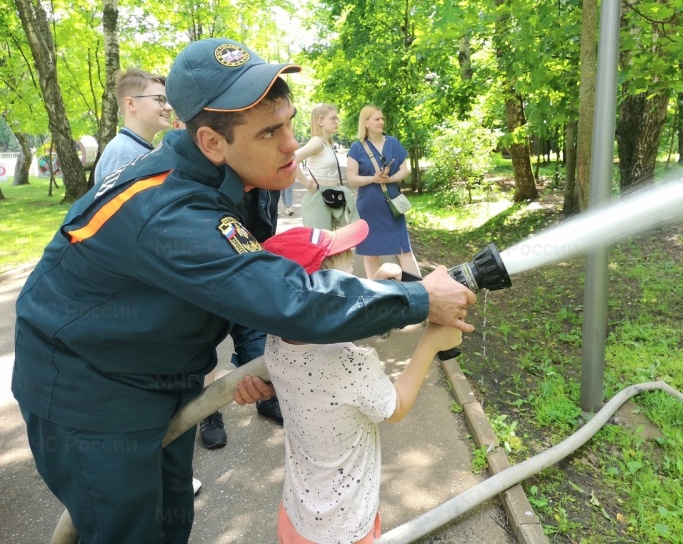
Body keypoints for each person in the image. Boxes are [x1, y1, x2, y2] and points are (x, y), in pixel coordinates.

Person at [13, 37, 476, 544]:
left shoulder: (238, 179)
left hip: (156, 374)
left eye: (291, 122)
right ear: (212, 142)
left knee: (169, 520)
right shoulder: (171, 211)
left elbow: (242, 281)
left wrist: (264, 363)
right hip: (91, 393)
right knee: (127, 530)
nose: (290, 145)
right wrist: (418, 299)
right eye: (271, 132)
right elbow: (287, 295)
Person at [235, 219, 463, 544]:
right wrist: (431, 342)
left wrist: (379, 290)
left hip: (297, 516)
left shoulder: (276, 340)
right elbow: (395, 408)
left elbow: (325, 322)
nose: (355, 287)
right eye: (347, 281)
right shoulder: (351, 363)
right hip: (346, 528)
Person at [347, 105, 420, 279]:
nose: (381, 122)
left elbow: (404, 171)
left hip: (393, 205)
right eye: (377, 119)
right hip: (369, 208)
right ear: (366, 122)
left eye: (382, 118)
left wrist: (389, 179)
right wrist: (373, 179)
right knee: (371, 254)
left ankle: (420, 289)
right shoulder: (356, 148)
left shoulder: (393, 142)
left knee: (404, 250)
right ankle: (376, 291)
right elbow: (352, 179)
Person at [94, 68, 173, 182]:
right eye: (160, 99)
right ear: (131, 104)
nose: (169, 108)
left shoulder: (135, 149)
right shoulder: (122, 153)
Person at [294, 103, 357, 230]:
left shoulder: (328, 143)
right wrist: (307, 184)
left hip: (331, 198)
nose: (336, 122)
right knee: (320, 245)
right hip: (318, 199)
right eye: (333, 118)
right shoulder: (317, 142)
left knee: (333, 244)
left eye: (337, 118)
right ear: (320, 121)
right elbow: (292, 160)